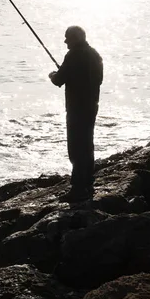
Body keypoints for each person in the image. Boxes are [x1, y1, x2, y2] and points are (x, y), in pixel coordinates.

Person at [49, 26, 103, 202]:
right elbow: (98, 79)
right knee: (87, 144)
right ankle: (88, 182)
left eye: (68, 38)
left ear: (76, 38)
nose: (65, 41)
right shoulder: (95, 54)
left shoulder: (73, 55)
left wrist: (53, 74)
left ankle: (78, 188)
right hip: (91, 106)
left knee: (76, 147)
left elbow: (59, 80)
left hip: (76, 108)